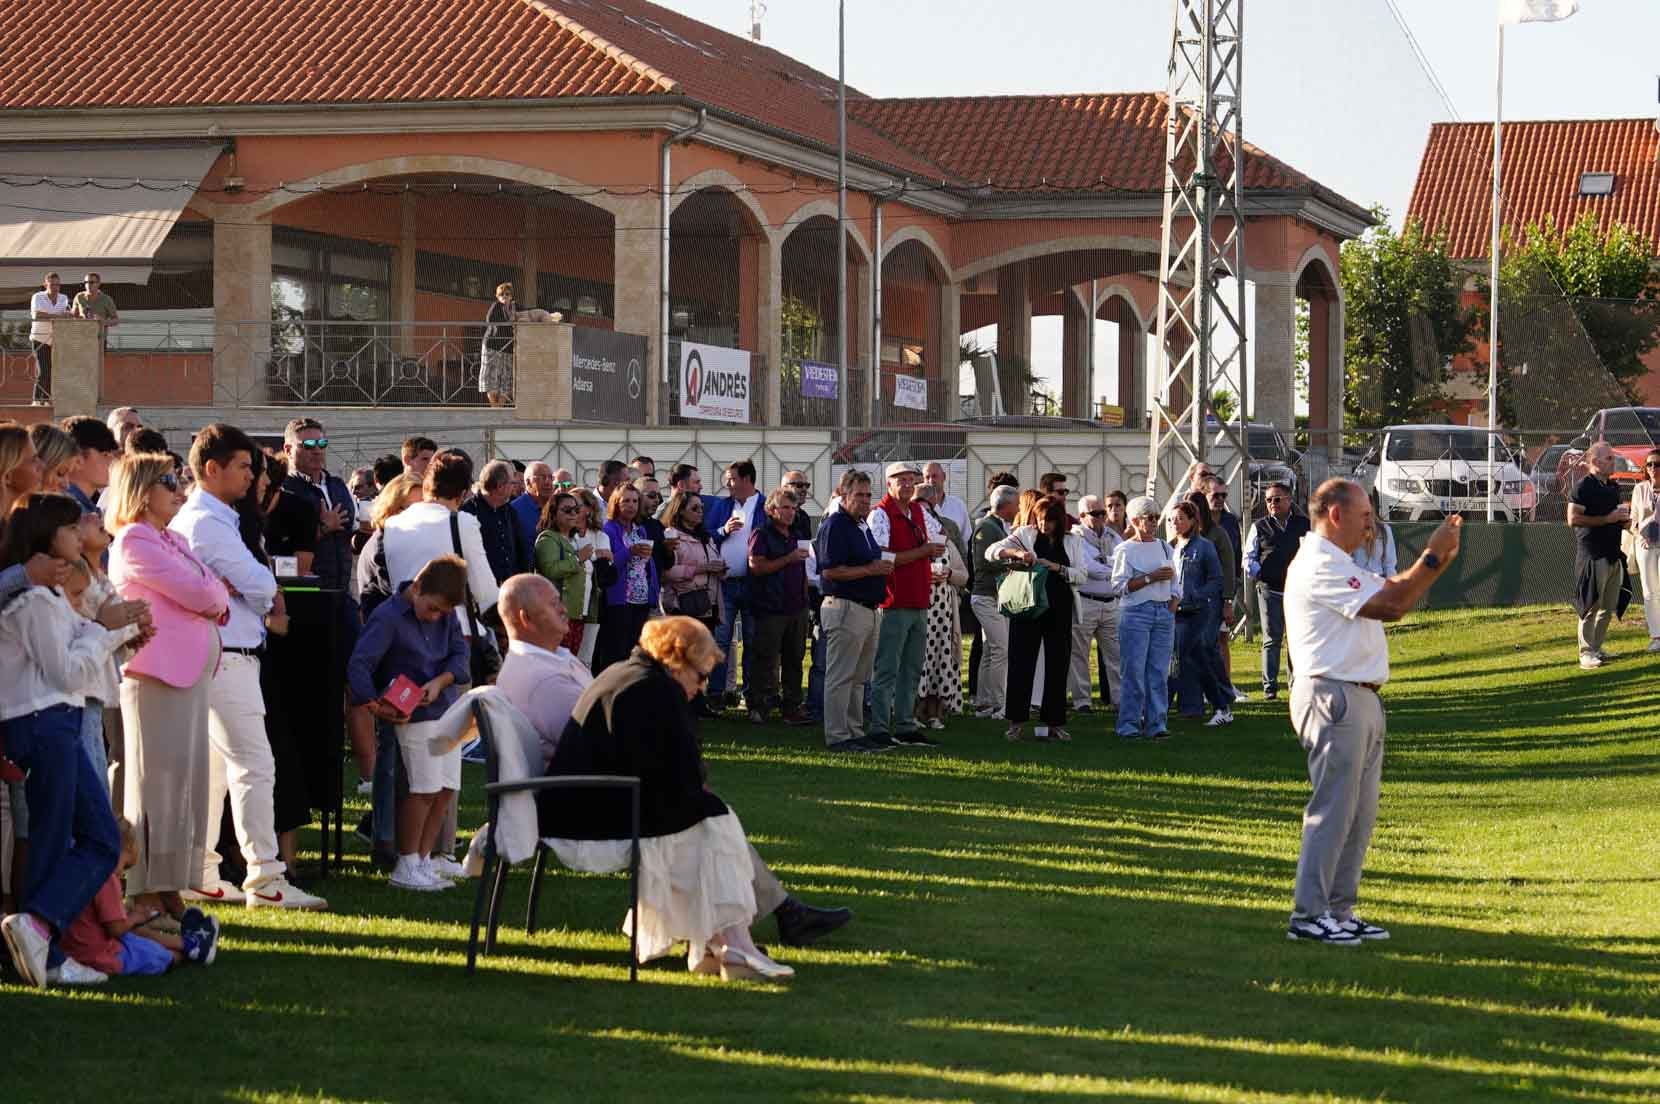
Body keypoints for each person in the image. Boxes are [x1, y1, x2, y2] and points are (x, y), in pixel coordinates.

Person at [537, 616, 795, 981]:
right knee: (711, 823)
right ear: (678, 659)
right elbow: (677, 770)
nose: (703, 687)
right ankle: (732, 944)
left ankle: (721, 942)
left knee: (711, 820)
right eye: (701, 676)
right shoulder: (650, 690)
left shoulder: (632, 677)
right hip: (588, 814)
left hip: (587, 803)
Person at [1283, 480, 1460, 945]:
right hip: (1333, 696)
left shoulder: (1339, 562)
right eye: (1364, 515)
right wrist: (1433, 557)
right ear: (1335, 515)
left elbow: (1395, 588)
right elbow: (1394, 604)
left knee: (1357, 816)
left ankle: (1337, 912)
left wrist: (1435, 561)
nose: (1371, 524)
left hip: (1356, 696)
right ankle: (1309, 915)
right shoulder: (1318, 563)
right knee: (1333, 811)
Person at [172, 424, 325, 910]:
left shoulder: (213, 518)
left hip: (227, 653)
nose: (252, 475)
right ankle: (265, 876)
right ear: (211, 468)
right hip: (226, 657)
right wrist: (260, 592)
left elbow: (255, 583)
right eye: (242, 466)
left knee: (219, 771)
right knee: (254, 765)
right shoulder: (207, 522)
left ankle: (202, 871)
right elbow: (259, 583)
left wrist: (257, 590)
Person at [0, 493, 144, 988]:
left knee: (89, 837)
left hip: (53, 723)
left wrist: (110, 634)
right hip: (42, 723)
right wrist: (104, 634)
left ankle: (42, 935)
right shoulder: (34, 600)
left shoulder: (51, 598)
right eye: (68, 528)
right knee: (64, 836)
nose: (79, 534)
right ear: (46, 537)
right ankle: (43, 933)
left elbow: (77, 650)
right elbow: (63, 671)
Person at [106, 453, 229, 925]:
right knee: (153, 786)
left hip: (191, 674)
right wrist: (210, 599)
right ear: (141, 489)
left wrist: (210, 598)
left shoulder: (173, 538)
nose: (179, 488)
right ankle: (145, 888)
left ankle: (171, 883)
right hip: (156, 675)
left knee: (186, 785)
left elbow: (216, 592)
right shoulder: (134, 541)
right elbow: (203, 594)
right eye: (168, 481)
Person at [348, 556, 471, 891]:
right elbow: (360, 664)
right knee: (423, 790)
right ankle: (406, 863)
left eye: (443, 613)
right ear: (417, 588)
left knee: (446, 789)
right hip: (412, 715)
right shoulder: (387, 617)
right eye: (433, 609)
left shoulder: (446, 614)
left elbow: (460, 656)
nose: (438, 617)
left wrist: (442, 681)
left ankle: (423, 859)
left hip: (446, 708)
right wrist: (373, 704)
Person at [988, 495, 1092, 742]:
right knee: (1021, 661)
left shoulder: (1072, 541)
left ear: (1059, 521)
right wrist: (1015, 553)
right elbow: (992, 552)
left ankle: (1054, 722)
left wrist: (1056, 567)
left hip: (1059, 608)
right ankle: (1016, 722)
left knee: (1058, 664)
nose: (1044, 525)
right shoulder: (1026, 534)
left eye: (1050, 521)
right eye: (1041, 519)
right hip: (1028, 606)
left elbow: (1082, 574)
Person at [58, 817, 217, 978]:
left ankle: (189, 943)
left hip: (69, 952)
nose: (121, 874)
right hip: (101, 957)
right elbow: (116, 929)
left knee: (140, 938)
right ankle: (191, 949)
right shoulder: (106, 876)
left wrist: (129, 916)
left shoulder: (74, 866)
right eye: (125, 865)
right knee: (162, 955)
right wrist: (135, 918)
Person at [867, 461, 947, 747]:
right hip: (894, 600)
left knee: (912, 667)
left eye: (911, 480)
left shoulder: (917, 511)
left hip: (918, 598)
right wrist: (923, 552)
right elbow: (883, 559)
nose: (907, 485)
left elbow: (941, 534)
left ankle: (903, 723)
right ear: (888, 484)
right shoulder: (881, 514)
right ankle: (878, 725)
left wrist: (932, 551)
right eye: (900, 480)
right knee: (887, 667)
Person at [381, 452, 499, 642]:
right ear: (463, 493)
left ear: (426, 485)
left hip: (404, 634)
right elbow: (485, 593)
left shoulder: (392, 524)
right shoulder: (463, 522)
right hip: (453, 636)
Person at [815, 470, 894, 752]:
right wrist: (870, 569)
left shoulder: (861, 524)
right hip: (845, 607)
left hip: (867, 608)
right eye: (858, 495)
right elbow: (830, 570)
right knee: (840, 676)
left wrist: (878, 568)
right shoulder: (836, 524)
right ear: (843, 494)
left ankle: (854, 731)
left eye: (867, 495)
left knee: (859, 678)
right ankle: (837, 735)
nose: (864, 500)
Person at [1111, 497, 1176, 741]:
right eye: (1149, 518)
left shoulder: (1164, 547)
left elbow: (1174, 581)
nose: (1154, 522)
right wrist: (1150, 578)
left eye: (1156, 517)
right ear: (1136, 521)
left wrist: (1173, 602)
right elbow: (1118, 586)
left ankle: (1157, 724)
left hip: (1163, 612)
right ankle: (1128, 725)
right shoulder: (1125, 550)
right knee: (1134, 671)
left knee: (1158, 672)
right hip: (1136, 612)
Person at [745, 489, 811, 726]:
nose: (790, 513)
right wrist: (788, 559)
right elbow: (756, 567)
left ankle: (792, 707)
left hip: (797, 606)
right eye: (785, 507)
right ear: (772, 510)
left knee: (795, 659)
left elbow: (803, 568)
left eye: (793, 508)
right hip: (770, 607)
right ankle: (759, 706)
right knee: (766, 658)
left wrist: (805, 598)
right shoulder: (761, 534)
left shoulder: (797, 533)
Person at [658, 489, 724, 716]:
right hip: (684, 603)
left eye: (701, 508)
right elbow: (668, 572)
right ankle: (679, 703)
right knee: (683, 658)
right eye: (694, 508)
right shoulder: (671, 536)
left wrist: (720, 568)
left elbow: (712, 561)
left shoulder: (705, 536)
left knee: (703, 656)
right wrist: (701, 569)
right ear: (680, 510)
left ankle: (698, 701)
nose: (700, 512)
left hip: (709, 601)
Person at [1170, 498, 1234, 726]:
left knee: (1180, 657)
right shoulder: (1172, 547)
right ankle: (1221, 707)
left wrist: (1197, 594)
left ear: (1192, 521)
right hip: (1177, 611)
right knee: (1196, 659)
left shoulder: (1204, 546)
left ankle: (1160, 708)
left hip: (1197, 612)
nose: (1175, 523)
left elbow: (1216, 579)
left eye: (1180, 519)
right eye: (1172, 519)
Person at [705, 459, 763, 708]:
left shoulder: (764, 505)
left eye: (732, 478)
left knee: (752, 641)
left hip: (754, 585)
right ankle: (716, 694)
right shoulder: (722, 505)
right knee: (720, 640)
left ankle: (751, 694)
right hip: (725, 584)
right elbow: (707, 537)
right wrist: (723, 531)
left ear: (747, 480)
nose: (727, 483)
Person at [1243, 481, 1308, 700]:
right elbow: (1248, 557)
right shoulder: (1259, 526)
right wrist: (1259, 573)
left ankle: (1296, 683)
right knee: (1272, 638)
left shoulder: (1304, 525)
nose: (1272, 503)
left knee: (1296, 639)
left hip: (1298, 591)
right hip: (1270, 590)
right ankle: (1269, 687)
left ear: (1289, 500)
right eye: (1268, 500)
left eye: (1277, 499)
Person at [914, 484, 969, 736]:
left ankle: (936, 713)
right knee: (917, 660)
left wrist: (948, 574)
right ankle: (914, 711)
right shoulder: (913, 545)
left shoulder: (947, 544)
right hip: (918, 608)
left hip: (944, 614)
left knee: (940, 660)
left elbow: (964, 576)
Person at [1569, 442, 1629, 669]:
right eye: (1609, 458)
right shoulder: (1583, 487)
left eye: (1613, 457)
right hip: (1593, 555)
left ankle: (1596, 648)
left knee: (1608, 606)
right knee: (1591, 604)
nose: (1614, 461)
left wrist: (1627, 522)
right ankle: (1585, 654)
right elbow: (1572, 519)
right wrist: (1608, 519)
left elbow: (1617, 518)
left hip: (1614, 553)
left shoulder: (1613, 486)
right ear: (1594, 461)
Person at [280, 417, 356, 594]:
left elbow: (350, 533)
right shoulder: (283, 490)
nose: (316, 450)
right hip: (304, 590)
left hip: (342, 589)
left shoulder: (337, 485)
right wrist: (322, 528)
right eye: (308, 444)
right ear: (288, 450)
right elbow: (279, 548)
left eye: (322, 443)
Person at [595, 482, 659, 672]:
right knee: (618, 652)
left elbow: (648, 564)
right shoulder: (609, 529)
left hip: (641, 598)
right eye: (626, 501)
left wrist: (654, 593)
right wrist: (629, 551)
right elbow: (610, 565)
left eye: (635, 501)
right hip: (620, 599)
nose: (631, 505)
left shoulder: (640, 530)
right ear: (616, 503)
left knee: (637, 651)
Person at [968, 485, 1019, 719]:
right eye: (1015, 505)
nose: (1017, 509)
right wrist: (1016, 564)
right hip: (987, 596)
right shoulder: (987, 527)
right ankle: (1000, 704)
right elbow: (984, 562)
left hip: (992, 596)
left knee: (991, 650)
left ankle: (984, 702)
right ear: (1005, 505)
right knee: (1001, 649)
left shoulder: (996, 526)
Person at [1072, 494, 1123, 713]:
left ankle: (1119, 700)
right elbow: (1088, 568)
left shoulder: (1113, 536)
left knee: (1117, 655)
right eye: (1096, 513)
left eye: (1103, 512)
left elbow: (1123, 563)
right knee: (1079, 654)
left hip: (1111, 603)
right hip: (1086, 602)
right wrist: (1113, 571)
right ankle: (1082, 701)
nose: (1102, 516)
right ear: (1082, 516)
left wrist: (1109, 569)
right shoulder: (1075, 537)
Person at [460, 459, 532, 585]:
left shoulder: (510, 512)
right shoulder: (467, 514)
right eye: (512, 483)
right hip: (480, 593)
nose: (514, 487)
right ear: (500, 486)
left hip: (509, 590)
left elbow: (521, 552)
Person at [259, 450, 319, 579]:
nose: (258, 500)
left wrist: (259, 562)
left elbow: (301, 567)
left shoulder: (302, 510)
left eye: (265, 494)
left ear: (278, 488)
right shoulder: (237, 505)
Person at [1631, 447, 1660, 651]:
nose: (1652, 468)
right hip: (1645, 545)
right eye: (1649, 464)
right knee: (1650, 591)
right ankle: (1656, 636)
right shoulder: (1640, 489)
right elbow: (1633, 519)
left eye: (1657, 464)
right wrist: (1639, 534)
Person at [61, 415, 120, 517]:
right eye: (105, 454)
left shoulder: (88, 509)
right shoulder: (65, 511)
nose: (113, 461)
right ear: (78, 459)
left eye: (113, 455)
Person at [29, 272, 73, 405]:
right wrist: (58, 316)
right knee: (43, 370)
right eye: (52, 284)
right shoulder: (37, 297)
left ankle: (47, 400)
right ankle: (37, 401)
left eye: (58, 285)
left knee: (53, 371)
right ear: (45, 284)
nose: (55, 287)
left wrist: (55, 316)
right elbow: (37, 315)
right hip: (39, 338)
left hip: (58, 339)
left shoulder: (64, 298)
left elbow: (68, 314)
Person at [481, 282, 516, 407]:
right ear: (497, 296)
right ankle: (495, 409)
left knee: (506, 379)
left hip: (508, 348)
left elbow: (527, 314)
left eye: (507, 294)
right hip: (492, 346)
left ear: (511, 296)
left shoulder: (515, 307)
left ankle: (498, 409)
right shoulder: (495, 306)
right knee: (491, 379)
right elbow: (489, 319)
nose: (504, 297)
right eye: (501, 294)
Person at [924, 462, 970, 537]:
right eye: (927, 477)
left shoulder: (958, 505)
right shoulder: (918, 508)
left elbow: (966, 537)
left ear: (944, 477)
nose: (931, 481)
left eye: (935, 476)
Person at [71, 272, 120, 342]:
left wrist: (103, 322)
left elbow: (116, 320)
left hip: (99, 339)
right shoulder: (79, 297)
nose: (88, 285)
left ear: (98, 284)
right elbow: (73, 315)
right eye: (86, 282)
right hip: (81, 338)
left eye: (91, 282)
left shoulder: (106, 299)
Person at [515, 460, 555, 536]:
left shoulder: (556, 507)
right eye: (542, 477)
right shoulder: (515, 510)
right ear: (528, 482)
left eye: (550, 477)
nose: (548, 482)